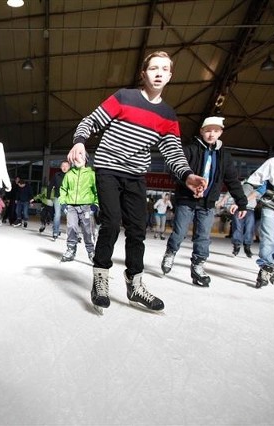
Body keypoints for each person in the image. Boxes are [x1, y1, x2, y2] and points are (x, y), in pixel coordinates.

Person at [67, 51, 206, 313]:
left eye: (164, 69)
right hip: (108, 167)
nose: (158, 73)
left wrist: (188, 175)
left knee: (138, 229)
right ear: (144, 73)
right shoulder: (124, 97)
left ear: (170, 76)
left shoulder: (167, 115)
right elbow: (91, 120)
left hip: (135, 174)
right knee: (111, 222)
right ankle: (100, 279)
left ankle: (135, 284)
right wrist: (79, 141)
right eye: (153, 68)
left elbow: (173, 151)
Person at [160, 116, 247, 287]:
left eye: (215, 131)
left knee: (203, 237)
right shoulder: (190, 150)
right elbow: (175, 169)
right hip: (186, 199)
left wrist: (241, 202)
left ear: (221, 132)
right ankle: (170, 253)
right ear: (201, 131)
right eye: (208, 130)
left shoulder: (224, 156)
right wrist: (187, 183)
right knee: (179, 232)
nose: (211, 134)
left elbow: (232, 180)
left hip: (208, 203)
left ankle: (198, 266)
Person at [242, 155, 274, 288]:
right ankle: (266, 266)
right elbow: (252, 181)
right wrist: (242, 200)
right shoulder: (273, 162)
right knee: (269, 237)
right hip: (271, 205)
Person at [59, 152, 98, 263]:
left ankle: (91, 251)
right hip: (71, 206)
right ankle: (71, 249)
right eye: (75, 158)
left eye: (80, 157)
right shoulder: (69, 174)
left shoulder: (91, 174)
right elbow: (63, 189)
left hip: (86, 207)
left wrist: (95, 205)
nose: (77, 159)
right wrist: (63, 203)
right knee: (71, 227)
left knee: (87, 230)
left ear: (85, 159)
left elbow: (97, 191)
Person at [48, 161, 70, 241]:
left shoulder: (71, 175)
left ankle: (73, 234)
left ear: (69, 167)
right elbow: (50, 186)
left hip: (68, 199)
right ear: (61, 167)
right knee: (57, 215)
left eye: (66, 166)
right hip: (58, 197)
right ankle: (55, 232)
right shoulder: (56, 175)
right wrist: (48, 197)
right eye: (63, 166)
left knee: (71, 216)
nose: (64, 167)